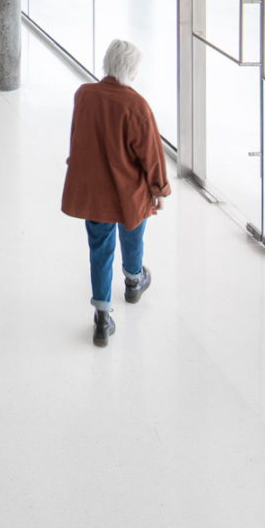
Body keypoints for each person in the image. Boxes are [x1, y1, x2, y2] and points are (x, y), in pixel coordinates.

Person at [60, 37, 170, 347]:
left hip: (95, 192)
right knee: (133, 232)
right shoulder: (136, 105)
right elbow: (151, 153)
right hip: (130, 191)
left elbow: (77, 139)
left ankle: (102, 318)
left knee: (100, 249)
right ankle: (134, 281)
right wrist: (158, 188)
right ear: (133, 72)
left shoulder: (84, 95)